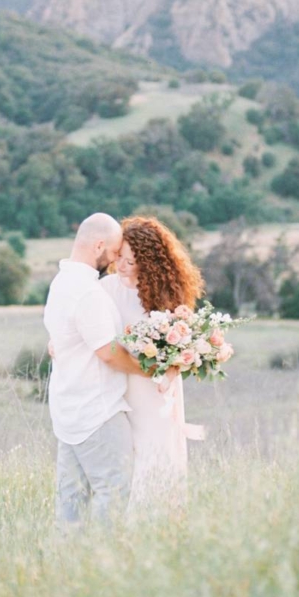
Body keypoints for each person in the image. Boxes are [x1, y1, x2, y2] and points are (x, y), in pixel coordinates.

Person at [42, 213, 147, 526]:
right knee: (114, 492)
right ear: (99, 245)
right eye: (114, 252)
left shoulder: (61, 283)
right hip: (97, 411)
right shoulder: (87, 292)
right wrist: (149, 370)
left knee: (71, 500)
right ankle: (102, 563)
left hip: (68, 409)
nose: (115, 261)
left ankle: (67, 565)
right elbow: (108, 353)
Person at [100, 216, 205, 505]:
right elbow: (88, 328)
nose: (122, 266)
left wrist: (172, 367)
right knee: (129, 454)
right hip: (123, 381)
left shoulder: (166, 293)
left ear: (150, 261)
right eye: (120, 257)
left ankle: (161, 517)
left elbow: (181, 344)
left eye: (131, 261)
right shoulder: (107, 289)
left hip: (157, 388)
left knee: (159, 448)